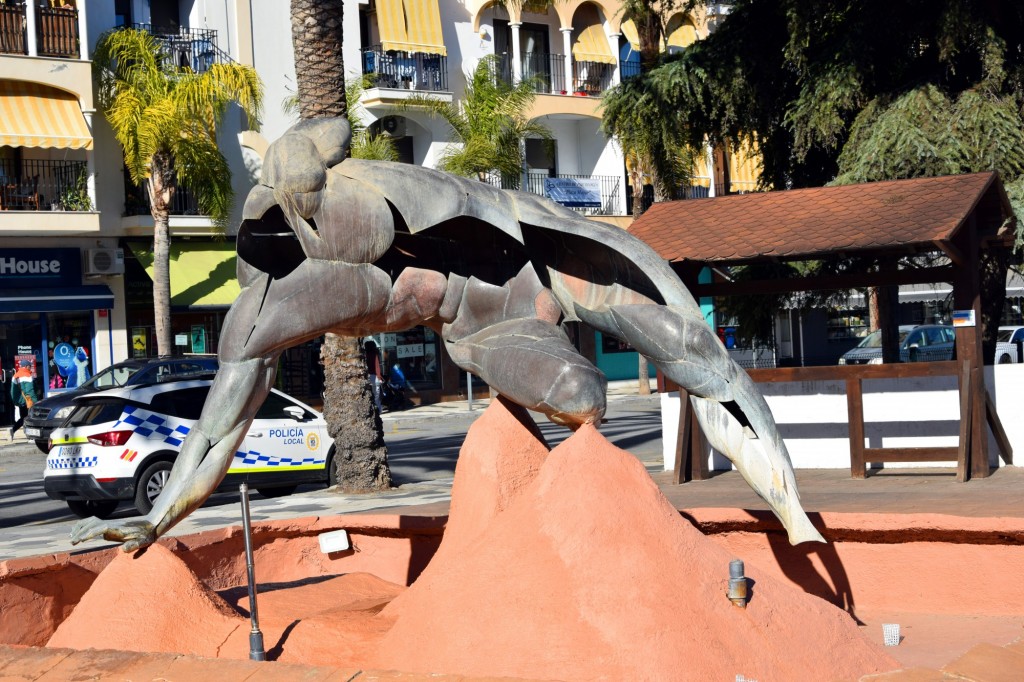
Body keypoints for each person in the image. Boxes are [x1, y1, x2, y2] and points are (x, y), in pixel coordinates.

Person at [9, 360, 37, 439]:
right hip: (28, 401)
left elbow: (12, 391)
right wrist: (35, 402)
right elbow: (30, 391)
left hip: (21, 401)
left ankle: (13, 429)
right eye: (30, 366)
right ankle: (31, 436)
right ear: (27, 366)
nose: (30, 368)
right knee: (31, 418)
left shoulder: (15, 375)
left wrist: (16, 401)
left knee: (24, 418)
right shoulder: (26, 375)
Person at [363, 338, 383, 413]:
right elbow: (377, 366)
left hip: (368, 377)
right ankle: (378, 410)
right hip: (375, 377)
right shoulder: (375, 354)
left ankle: (372, 410)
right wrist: (379, 377)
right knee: (376, 396)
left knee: (369, 395)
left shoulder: (365, 355)